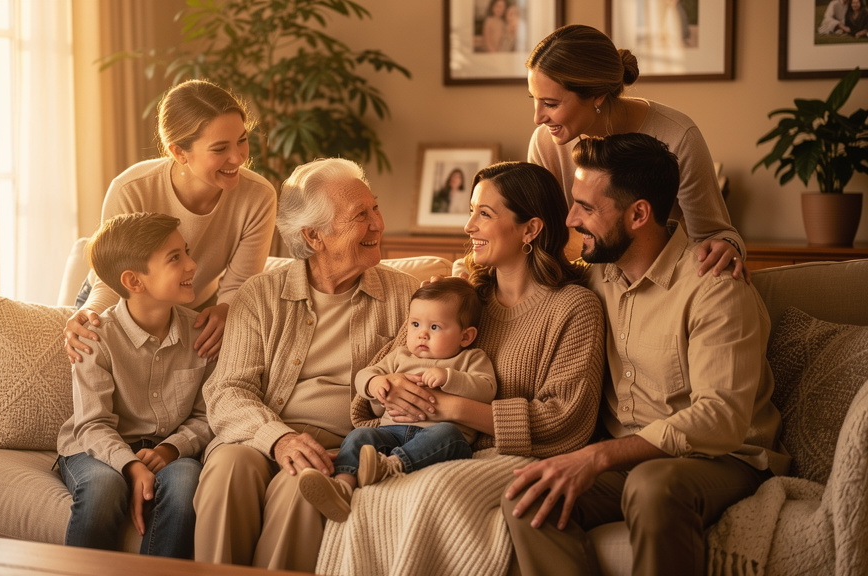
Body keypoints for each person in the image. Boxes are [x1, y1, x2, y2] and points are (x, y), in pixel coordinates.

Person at [502, 133, 789, 576]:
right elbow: (524, 285)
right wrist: (464, 286)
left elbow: (721, 417)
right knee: (530, 496)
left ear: (638, 214)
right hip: (629, 459)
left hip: (723, 459)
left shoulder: (715, 288)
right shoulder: (594, 278)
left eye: (587, 207)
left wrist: (598, 457)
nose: (572, 218)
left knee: (652, 485)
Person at [315, 161, 606, 575]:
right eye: (471, 211)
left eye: (484, 214)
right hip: (426, 447)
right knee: (372, 495)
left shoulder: (575, 308)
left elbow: (565, 419)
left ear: (530, 229)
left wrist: (448, 407)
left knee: (433, 491)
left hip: (508, 456)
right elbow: (384, 379)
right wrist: (390, 388)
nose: (469, 226)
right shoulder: (462, 300)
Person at [192, 158, 421, 572]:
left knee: (300, 488)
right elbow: (227, 391)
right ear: (314, 236)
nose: (377, 224)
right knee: (227, 469)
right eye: (360, 215)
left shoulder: (407, 296)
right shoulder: (260, 295)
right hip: (259, 433)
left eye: (375, 208)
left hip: (341, 444)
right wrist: (278, 438)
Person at [64, 79, 276, 363]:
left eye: (242, 140)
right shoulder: (132, 189)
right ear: (178, 152)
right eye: (219, 149)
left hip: (197, 308)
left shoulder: (259, 196)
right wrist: (91, 315)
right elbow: (113, 279)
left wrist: (227, 309)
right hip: (121, 301)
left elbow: (239, 284)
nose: (238, 158)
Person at [525, 24, 747, 280]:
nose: (537, 118)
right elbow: (537, 237)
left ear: (597, 95)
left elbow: (714, 234)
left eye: (550, 104)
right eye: (534, 99)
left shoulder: (678, 136)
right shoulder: (544, 143)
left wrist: (727, 247)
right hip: (581, 282)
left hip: (663, 283)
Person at [55, 212, 214, 558]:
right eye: (175, 258)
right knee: (103, 488)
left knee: (186, 484)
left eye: (186, 252)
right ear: (134, 281)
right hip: (92, 447)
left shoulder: (202, 335)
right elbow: (92, 424)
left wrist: (170, 449)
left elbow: (208, 415)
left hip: (168, 449)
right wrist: (130, 465)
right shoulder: (95, 338)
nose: (192, 264)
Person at [296, 277, 497, 522]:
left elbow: (487, 389)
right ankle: (342, 486)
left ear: (465, 337)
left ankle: (389, 466)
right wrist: (375, 383)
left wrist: (449, 377)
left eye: (435, 327)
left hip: (435, 437)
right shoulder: (400, 356)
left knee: (449, 435)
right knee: (359, 436)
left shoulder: (471, 358)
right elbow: (364, 375)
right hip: (390, 432)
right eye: (415, 324)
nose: (422, 334)